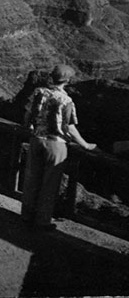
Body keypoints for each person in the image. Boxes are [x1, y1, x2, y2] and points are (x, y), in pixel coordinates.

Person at [21, 64, 96, 229]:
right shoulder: (66, 100)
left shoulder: (38, 92)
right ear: (67, 80)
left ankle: (26, 216)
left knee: (32, 180)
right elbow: (69, 126)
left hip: (36, 140)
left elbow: (28, 113)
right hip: (56, 144)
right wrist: (85, 145)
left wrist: (28, 127)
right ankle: (42, 221)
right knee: (49, 184)